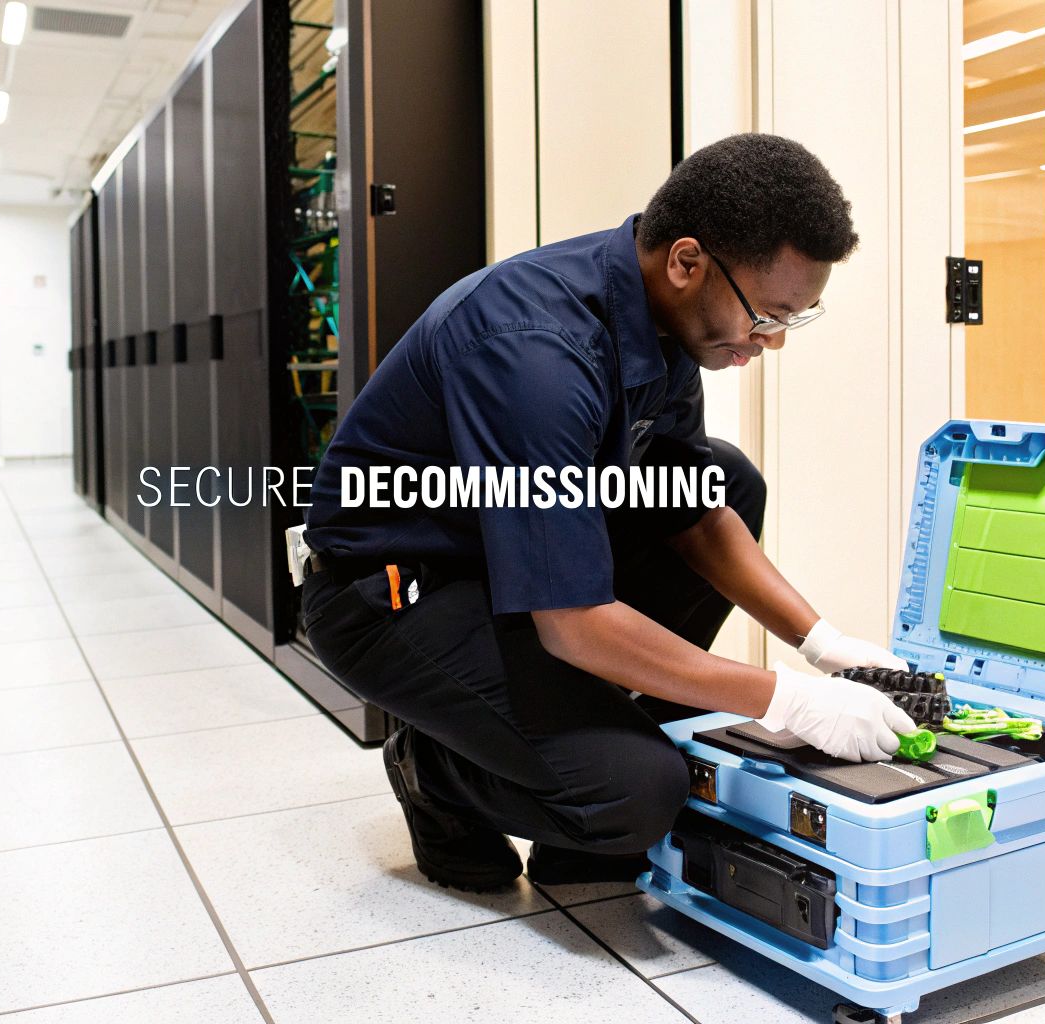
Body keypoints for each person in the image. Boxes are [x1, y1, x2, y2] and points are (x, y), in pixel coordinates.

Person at [298, 133, 917, 892]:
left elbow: (694, 510)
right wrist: (785, 697)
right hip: (394, 594)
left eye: (795, 318)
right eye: (767, 314)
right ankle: (436, 769)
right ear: (688, 263)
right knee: (637, 793)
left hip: (509, 559)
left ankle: (597, 753)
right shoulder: (536, 354)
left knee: (724, 479)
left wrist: (822, 644)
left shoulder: (668, 324)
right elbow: (573, 621)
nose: (774, 341)